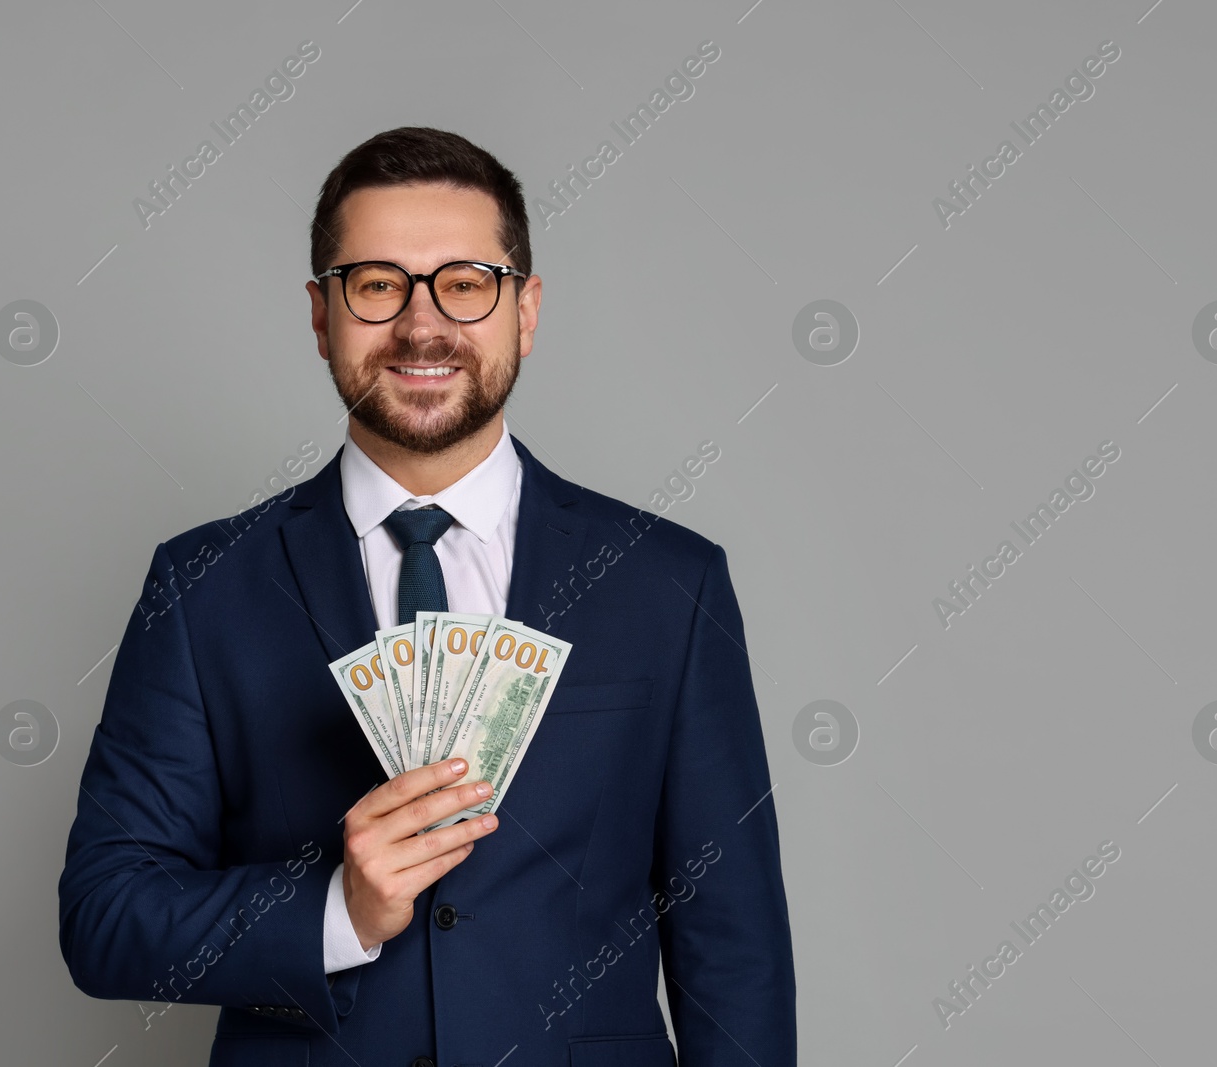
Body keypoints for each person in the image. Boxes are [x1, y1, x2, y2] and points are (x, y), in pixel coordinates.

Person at [58, 126, 795, 1067]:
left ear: (525, 310)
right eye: (376, 285)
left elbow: (736, 952)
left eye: (465, 282)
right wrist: (336, 910)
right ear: (321, 316)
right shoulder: (203, 587)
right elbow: (106, 915)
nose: (421, 324)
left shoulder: (668, 583)